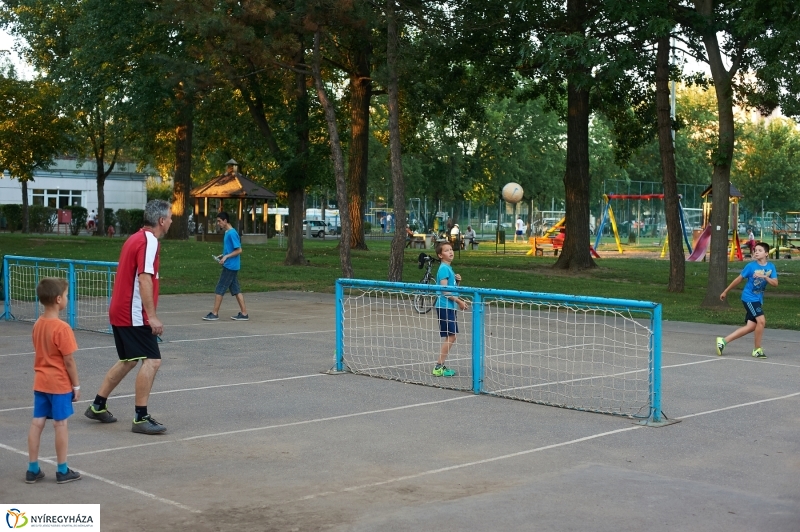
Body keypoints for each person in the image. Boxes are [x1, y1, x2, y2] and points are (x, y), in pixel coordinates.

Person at [84, 199, 172, 435]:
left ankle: (98, 405)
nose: (172, 221)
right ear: (161, 220)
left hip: (120, 309)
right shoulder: (149, 241)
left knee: (129, 359)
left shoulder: (134, 238)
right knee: (152, 360)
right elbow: (144, 278)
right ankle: (141, 418)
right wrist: (151, 316)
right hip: (133, 313)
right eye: (170, 217)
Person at [26, 277, 82, 484]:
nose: (67, 298)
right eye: (66, 295)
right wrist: (76, 385)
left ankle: (33, 468)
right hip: (58, 384)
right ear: (59, 299)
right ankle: (62, 469)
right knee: (60, 424)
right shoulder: (62, 328)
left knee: (37, 422)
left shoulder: (38, 324)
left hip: (40, 382)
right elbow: (69, 360)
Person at [716, 242, 778, 359]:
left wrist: (765, 277)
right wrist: (725, 291)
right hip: (749, 298)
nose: (756, 252)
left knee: (751, 326)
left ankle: (723, 341)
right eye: (755, 250)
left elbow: (775, 283)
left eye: (759, 250)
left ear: (766, 253)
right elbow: (738, 279)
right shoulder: (750, 266)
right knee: (761, 321)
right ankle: (757, 350)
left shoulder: (771, 267)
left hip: (758, 299)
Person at [204, 212, 249, 321]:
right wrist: (223, 255)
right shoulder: (228, 232)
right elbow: (231, 250)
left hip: (230, 266)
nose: (218, 223)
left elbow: (239, 250)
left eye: (219, 221)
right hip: (231, 265)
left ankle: (214, 313)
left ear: (225, 220)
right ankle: (244, 314)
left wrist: (226, 257)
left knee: (220, 288)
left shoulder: (232, 233)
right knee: (236, 290)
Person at [433, 242, 468, 377]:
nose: (450, 252)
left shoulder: (448, 269)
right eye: (447, 250)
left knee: (451, 336)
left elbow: (451, 289)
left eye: (451, 249)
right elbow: (444, 291)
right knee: (451, 336)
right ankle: (438, 366)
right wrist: (459, 301)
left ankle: (440, 365)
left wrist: (457, 281)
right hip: (444, 306)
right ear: (440, 255)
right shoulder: (443, 269)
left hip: (449, 307)